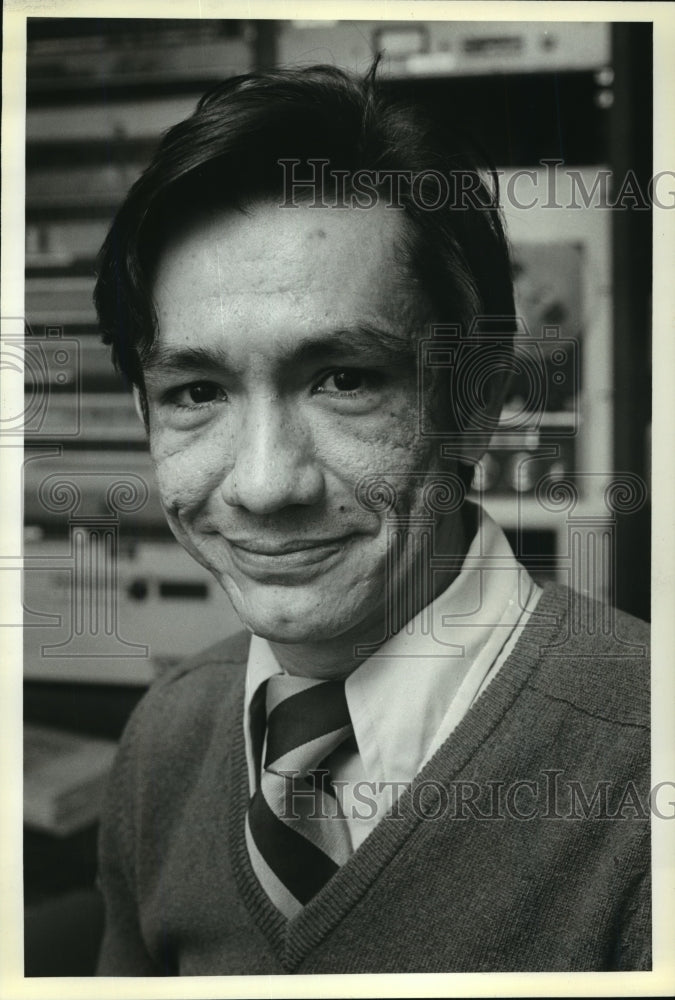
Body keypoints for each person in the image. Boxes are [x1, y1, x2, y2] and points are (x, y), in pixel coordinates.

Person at [93, 64, 650, 975]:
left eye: (344, 379)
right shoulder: (163, 739)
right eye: (197, 391)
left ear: (478, 401)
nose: (266, 486)